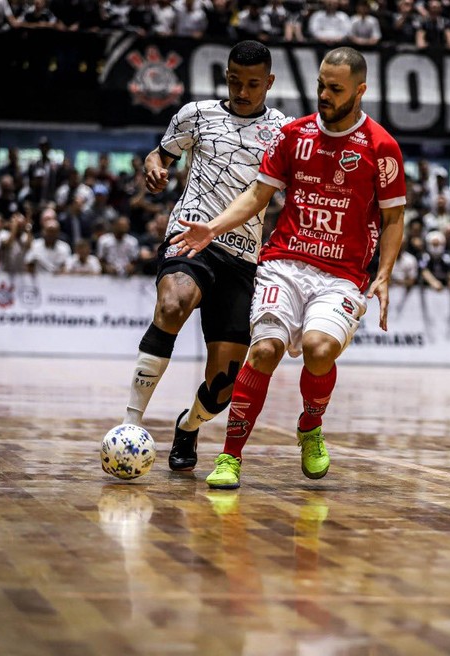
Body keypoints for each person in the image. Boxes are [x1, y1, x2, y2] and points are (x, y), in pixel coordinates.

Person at [171, 47, 406, 489]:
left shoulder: (382, 147)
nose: (324, 95)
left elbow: (394, 217)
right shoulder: (294, 135)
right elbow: (257, 196)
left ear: (360, 90)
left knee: (319, 350)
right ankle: (230, 457)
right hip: (284, 263)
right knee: (263, 351)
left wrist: (385, 273)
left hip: (341, 274)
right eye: (320, 85)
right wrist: (213, 228)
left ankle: (310, 426)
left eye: (335, 89)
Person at [120, 41, 290, 474]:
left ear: (269, 82)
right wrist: (154, 166)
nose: (242, 91)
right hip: (191, 236)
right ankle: (130, 425)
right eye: (234, 81)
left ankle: (188, 426)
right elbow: (160, 154)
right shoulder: (195, 114)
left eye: (253, 84)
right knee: (172, 303)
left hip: (243, 257)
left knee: (222, 387)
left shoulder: (284, 131)